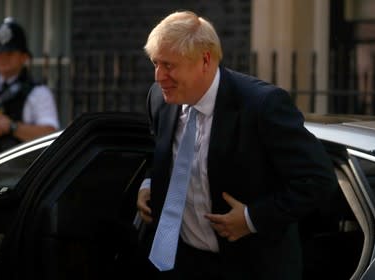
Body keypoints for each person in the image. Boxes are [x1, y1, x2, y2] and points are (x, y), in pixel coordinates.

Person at [136, 10, 338, 280]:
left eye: (169, 65)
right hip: (180, 263)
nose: (159, 76)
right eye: (155, 63)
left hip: (251, 267)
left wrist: (253, 218)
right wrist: (150, 182)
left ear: (205, 60)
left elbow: (318, 180)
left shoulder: (262, 106)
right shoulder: (160, 100)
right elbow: (161, 152)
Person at [0, 17, 60, 155]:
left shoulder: (39, 93)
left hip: (21, 172)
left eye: (10, 53)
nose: (3, 58)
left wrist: (11, 127)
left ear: (24, 57)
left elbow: (51, 137)